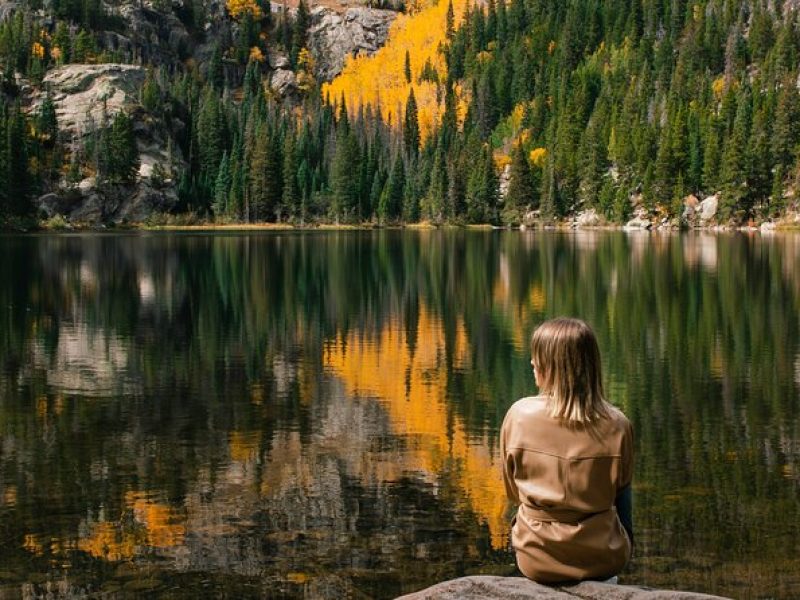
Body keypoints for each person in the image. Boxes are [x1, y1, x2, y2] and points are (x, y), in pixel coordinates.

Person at [500, 317, 634, 583]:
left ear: (553, 366)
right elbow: (623, 500)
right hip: (602, 559)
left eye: (537, 357)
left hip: (536, 558)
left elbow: (512, 492)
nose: (532, 363)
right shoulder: (618, 425)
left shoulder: (519, 416)